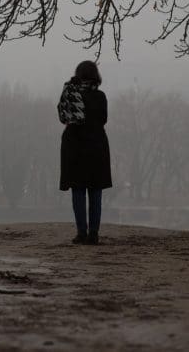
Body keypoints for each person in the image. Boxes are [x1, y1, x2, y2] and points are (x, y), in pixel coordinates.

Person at [57, 60, 111, 245]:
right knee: (95, 192)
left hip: (75, 147)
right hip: (97, 146)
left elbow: (62, 116)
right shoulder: (100, 96)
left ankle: (81, 232)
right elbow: (103, 119)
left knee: (78, 190)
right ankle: (94, 233)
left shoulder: (70, 94)